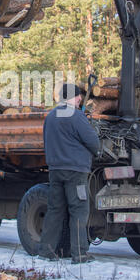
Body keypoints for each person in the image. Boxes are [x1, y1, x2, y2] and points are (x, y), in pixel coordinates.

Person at [38, 83, 100, 264]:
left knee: (55, 210)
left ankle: (45, 252)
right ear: (73, 98)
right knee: (79, 210)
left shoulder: (50, 117)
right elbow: (93, 141)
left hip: (55, 170)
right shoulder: (76, 116)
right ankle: (79, 254)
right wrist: (95, 152)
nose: (80, 99)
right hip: (75, 172)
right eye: (78, 96)